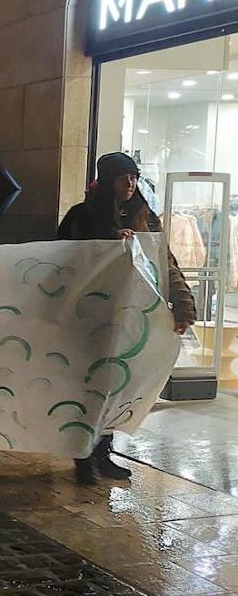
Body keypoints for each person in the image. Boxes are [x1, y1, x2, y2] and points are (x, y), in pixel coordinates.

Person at [58, 152, 196, 486]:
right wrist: (108, 244)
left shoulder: (145, 218)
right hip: (92, 318)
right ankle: (83, 455)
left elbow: (166, 262)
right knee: (91, 387)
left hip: (131, 318)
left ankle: (104, 452)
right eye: (123, 178)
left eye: (134, 177)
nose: (130, 184)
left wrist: (183, 305)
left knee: (119, 387)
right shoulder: (83, 216)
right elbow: (62, 260)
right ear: (107, 181)